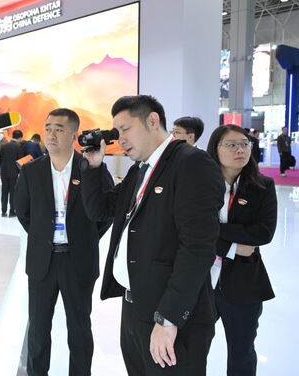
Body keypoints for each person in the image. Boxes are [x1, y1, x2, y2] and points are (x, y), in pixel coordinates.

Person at [81, 95, 224, 376]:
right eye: (116, 131)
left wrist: (168, 320)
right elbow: (99, 209)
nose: (119, 139)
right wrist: (94, 166)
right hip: (135, 308)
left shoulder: (192, 163)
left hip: (170, 318)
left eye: (124, 129)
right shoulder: (140, 171)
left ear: (152, 120)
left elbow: (197, 249)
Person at [15, 108, 113, 376]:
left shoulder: (91, 168)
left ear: (74, 135)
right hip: (42, 262)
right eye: (48, 127)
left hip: (78, 260)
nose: (51, 133)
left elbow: (105, 212)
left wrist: (85, 237)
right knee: (37, 329)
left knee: (79, 329)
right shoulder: (31, 171)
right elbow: (22, 212)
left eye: (59, 128)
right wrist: (43, 236)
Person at [206, 125, 276, 376]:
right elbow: (189, 230)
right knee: (190, 347)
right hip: (201, 282)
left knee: (242, 353)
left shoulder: (263, 186)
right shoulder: (200, 186)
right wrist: (235, 246)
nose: (240, 150)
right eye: (231, 144)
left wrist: (214, 229)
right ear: (215, 149)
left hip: (244, 287)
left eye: (245, 144)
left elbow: (262, 234)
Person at [0, 129, 23, 217]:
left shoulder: (3, 146)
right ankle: (12, 211)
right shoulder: (18, 147)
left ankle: (3, 211)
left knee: (4, 192)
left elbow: (1, 160)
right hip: (14, 173)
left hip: (4, 173)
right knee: (13, 192)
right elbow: (19, 162)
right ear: (20, 137)